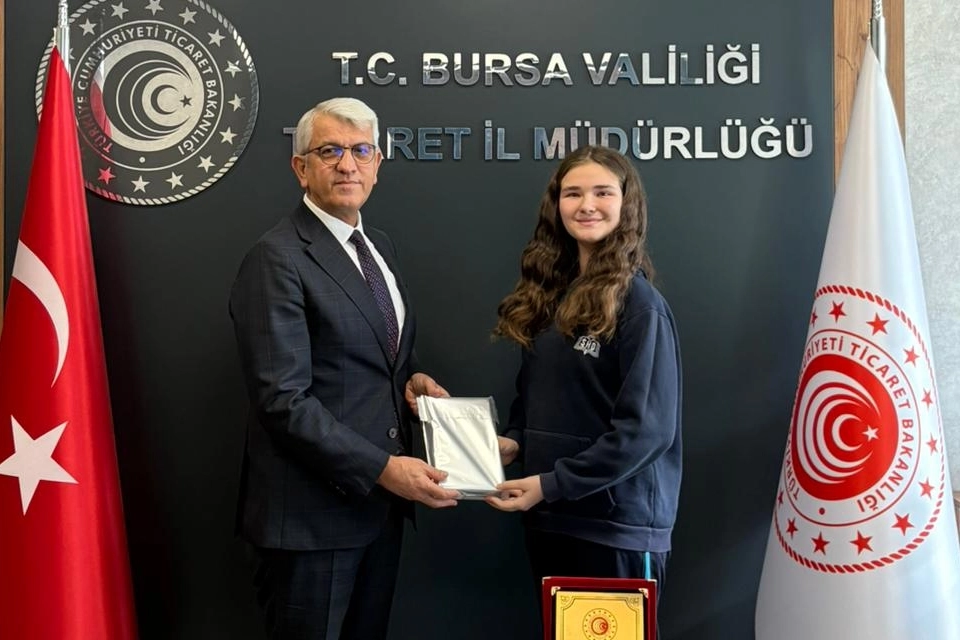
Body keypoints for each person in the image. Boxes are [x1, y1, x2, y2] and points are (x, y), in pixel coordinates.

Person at [229, 97, 459, 640]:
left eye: (360, 151)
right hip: (311, 522)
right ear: (300, 167)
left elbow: (376, 355)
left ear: (378, 164)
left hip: (378, 512)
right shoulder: (276, 258)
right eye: (329, 151)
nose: (347, 165)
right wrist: (384, 468)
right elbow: (282, 401)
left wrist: (411, 379)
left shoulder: (378, 246)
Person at [486, 145, 682, 605]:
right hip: (551, 518)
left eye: (602, 192)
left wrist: (549, 484)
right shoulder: (548, 298)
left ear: (626, 203)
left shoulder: (640, 306)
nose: (586, 205)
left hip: (614, 529)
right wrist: (515, 441)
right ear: (556, 205)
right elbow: (537, 399)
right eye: (572, 193)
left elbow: (646, 432)